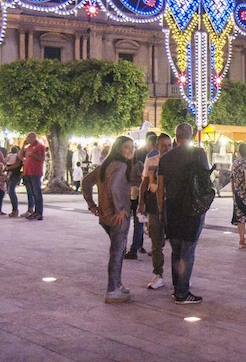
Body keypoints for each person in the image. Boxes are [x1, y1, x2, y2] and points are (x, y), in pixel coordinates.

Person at [156, 123, 208, 304]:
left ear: (176, 137)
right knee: (188, 250)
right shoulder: (199, 154)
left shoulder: (165, 158)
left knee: (176, 249)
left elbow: (160, 187)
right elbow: (205, 180)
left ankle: (177, 287)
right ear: (191, 136)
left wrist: (161, 211)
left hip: (172, 207)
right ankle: (182, 292)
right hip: (191, 208)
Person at [82, 136, 134, 303]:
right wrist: (120, 209)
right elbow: (113, 187)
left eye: (132, 147)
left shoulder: (104, 166)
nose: (130, 150)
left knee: (117, 250)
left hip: (105, 216)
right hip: (117, 217)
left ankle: (117, 284)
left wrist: (91, 204)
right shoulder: (121, 166)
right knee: (117, 252)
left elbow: (86, 182)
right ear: (118, 149)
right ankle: (112, 289)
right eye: (127, 147)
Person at [141, 132, 173, 290]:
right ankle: (158, 273)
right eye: (163, 146)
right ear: (157, 147)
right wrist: (140, 203)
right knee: (155, 241)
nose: (167, 148)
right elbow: (145, 182)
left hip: (173, 204)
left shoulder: (177, 162)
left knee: (177, 242)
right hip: (154, 204)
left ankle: (180, 275)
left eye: (169, 145)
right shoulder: (151, 161)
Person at [19, 133, 45, 220]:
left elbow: (42, 158)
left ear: (33, 137)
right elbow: (20, 156)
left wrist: (33, 155)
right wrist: (23, 146)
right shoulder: (29, 147)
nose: (27, 139)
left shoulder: (39, 146)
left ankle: (39, 212)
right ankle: (33, 211)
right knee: (32, 193)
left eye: (28, 137)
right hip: (28, 172)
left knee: (37, 193)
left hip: (35, 172)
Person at [4, 146, 23, 217]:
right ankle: (14, 209)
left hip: (16, 174)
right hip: (11, 174)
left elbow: (17, 165)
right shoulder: (11, 155)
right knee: (10, 191)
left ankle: (15, 209)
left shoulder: (18, 157)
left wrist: (8, 167)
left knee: (11, 190)